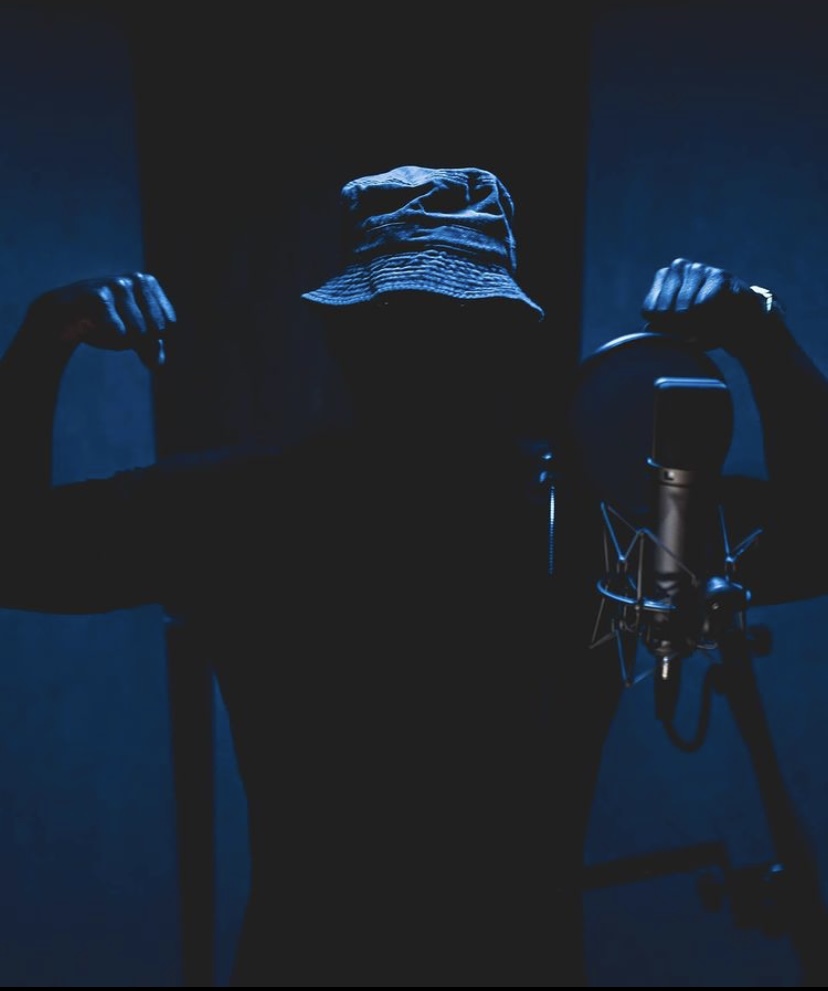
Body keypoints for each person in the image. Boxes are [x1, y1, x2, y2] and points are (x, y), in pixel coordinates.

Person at [1, 165, 827, 987]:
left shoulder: (596, 517)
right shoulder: (243, 504)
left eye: (456, 320)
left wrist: (761, 330)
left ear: (507, 337)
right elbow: (19, 556)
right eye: (400, 319)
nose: (427, 351)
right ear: (346, 332)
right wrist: (44, 337)